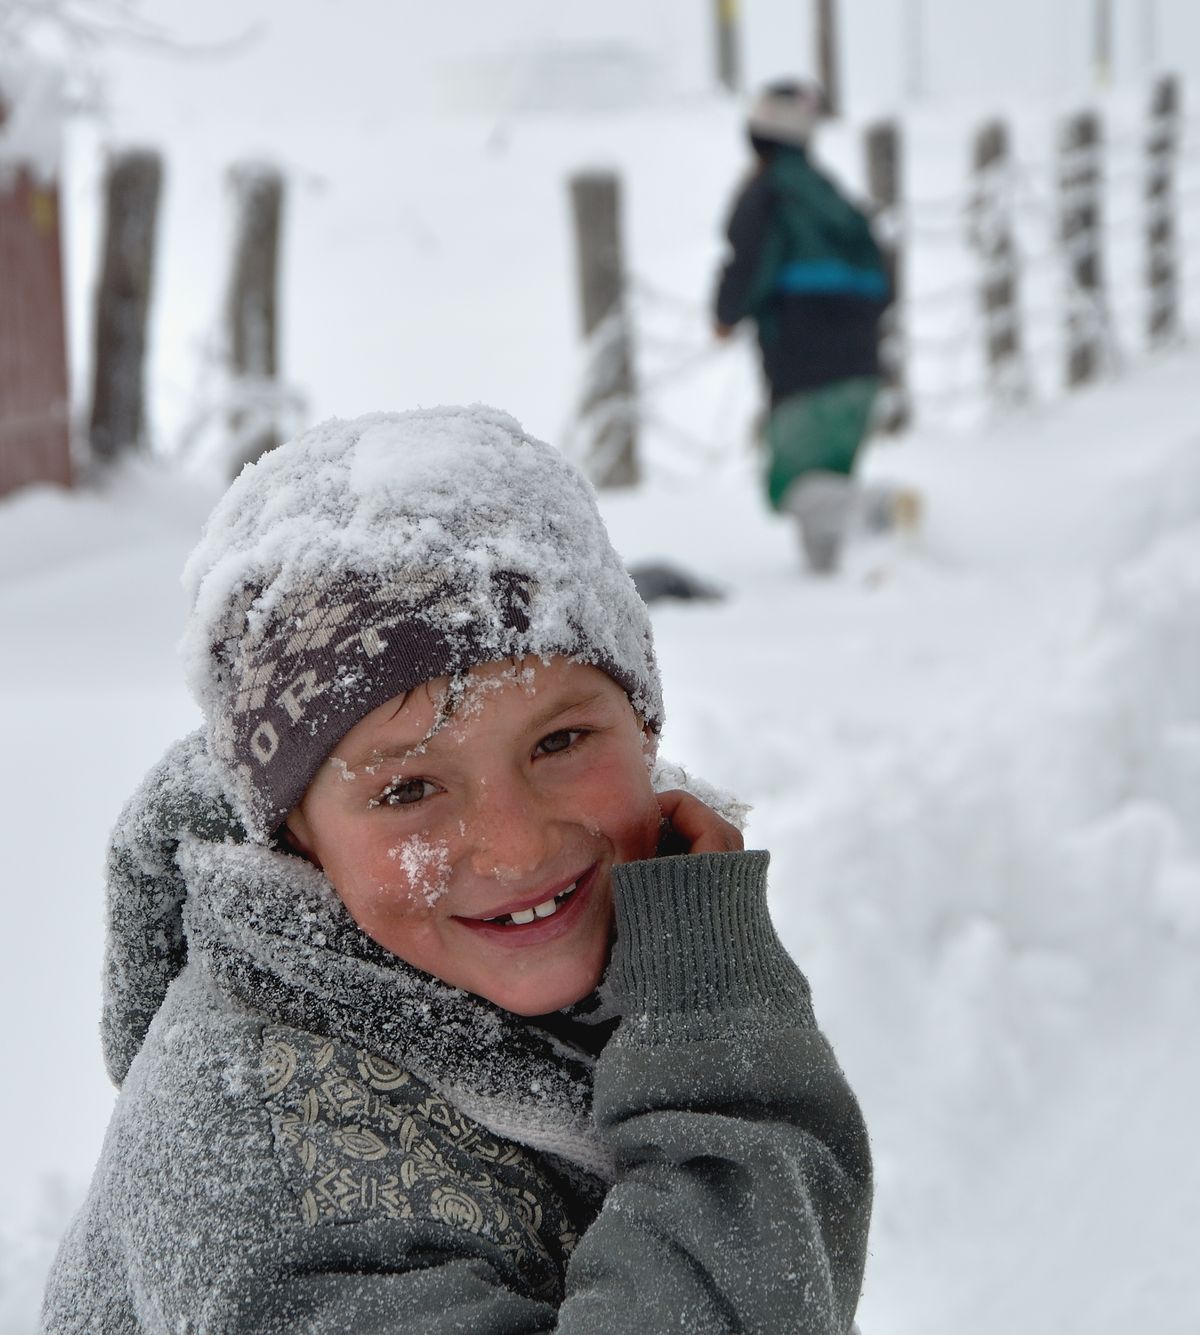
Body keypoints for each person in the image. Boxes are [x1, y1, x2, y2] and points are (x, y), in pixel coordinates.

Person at [41, 405, 872, 1333]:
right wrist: (721, 1043)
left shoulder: (622, 940)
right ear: (296, 839)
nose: (515, 846)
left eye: (560, 739)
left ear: (645, 725)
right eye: (407, 793)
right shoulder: (253, 1152)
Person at [714, 80, 905, 574]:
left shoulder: (767, 196)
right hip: (863, 373)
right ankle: (837, 590)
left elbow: (747, 263)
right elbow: (885, 280)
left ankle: (880, 509)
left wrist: (725, 315)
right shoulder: (834, 198)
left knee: (793, 485)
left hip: (804, 374)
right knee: (827, 489)